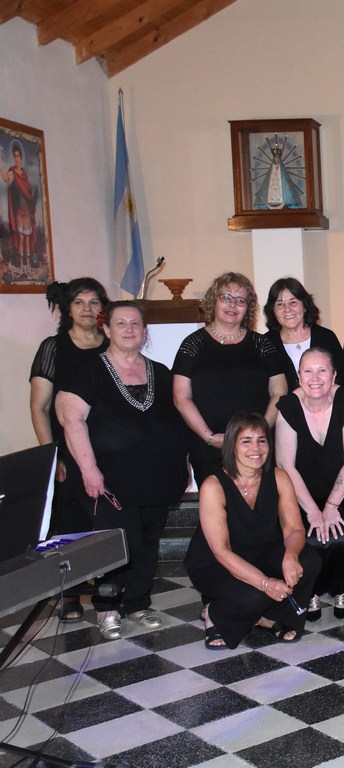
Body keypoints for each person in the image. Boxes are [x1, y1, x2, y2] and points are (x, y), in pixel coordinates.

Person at [55, 302, 189, 640]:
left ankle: (138, 603)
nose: (129, 329)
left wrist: (182, 464)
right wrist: (89, 469)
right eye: (121, 323)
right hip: (108, 478)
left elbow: (175, 421)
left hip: (156, 476)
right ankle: (108, 608)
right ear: (106, 329)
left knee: (148, 541)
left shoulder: (161, 371)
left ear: (144, 331)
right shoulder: (87, 369)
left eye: (135, 323)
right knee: (117, 540)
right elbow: (70, 418)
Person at [184, 413, 321, 649]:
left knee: (308, 560)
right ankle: (215, 613)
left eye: (262, 440)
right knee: (254, 596)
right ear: (231, 445)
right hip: (215, 563)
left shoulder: (279, 477)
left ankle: (270, 616)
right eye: (246, 441)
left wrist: (290, 556)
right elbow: (221, 551)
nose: (255, 448)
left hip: (260, 552)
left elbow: (294, 529)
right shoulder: (213, 485)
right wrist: (265, 583)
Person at [29, 277, 109, 623]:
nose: (87, 309)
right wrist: (53, 456)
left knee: (106, 522)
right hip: (67, 452)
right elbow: (39, 407)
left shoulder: (112, 344)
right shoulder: (53, 347)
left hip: (106, 451)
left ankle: (108, 591)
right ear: (68, 308)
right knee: (69, 524)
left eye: (94, 302)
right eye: (79, 302)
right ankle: (71, 595)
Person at [275, 347, 344, 621]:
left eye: (322, 370)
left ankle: (342, 589)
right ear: (299, 376)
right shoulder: (288, 407)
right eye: (308, 371)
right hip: (300, 493)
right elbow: (285, 466)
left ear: (333, 375)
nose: (315, 378)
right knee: (310, 540)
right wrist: (313, 510)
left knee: (337, 539)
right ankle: (310, 589)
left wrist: (332, 506)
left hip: (341, 490)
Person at [173, 272, 287, 485]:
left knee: (259, 504)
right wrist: (209, 437)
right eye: (226, 297)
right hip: (209, 450)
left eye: (240, 300)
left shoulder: (262, 344)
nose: (232, 305)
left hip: (255, 450)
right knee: (216, 504)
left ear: (248, 307)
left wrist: (259, 434)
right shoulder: (193, 344)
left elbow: (279, 392)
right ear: (213, 300)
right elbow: (181, 397)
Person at [263, 277, 344, 392]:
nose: (287, 309)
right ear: (273, 310)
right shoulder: (266, 343)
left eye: (293, 302)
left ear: (305, 306)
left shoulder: (326, 337)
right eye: (280, 304)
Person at [1, 140, 38, 268]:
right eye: (15, 156)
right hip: (18, 210)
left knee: (27, 238)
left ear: (21, 157)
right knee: (21, 237)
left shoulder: (25, 174)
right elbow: (6, 179)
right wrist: (0, 164)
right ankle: (21, 263)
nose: (16, 158)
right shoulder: (12, 171)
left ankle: (27, 264)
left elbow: (28, 192)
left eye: (18, 156)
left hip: (27, 210)